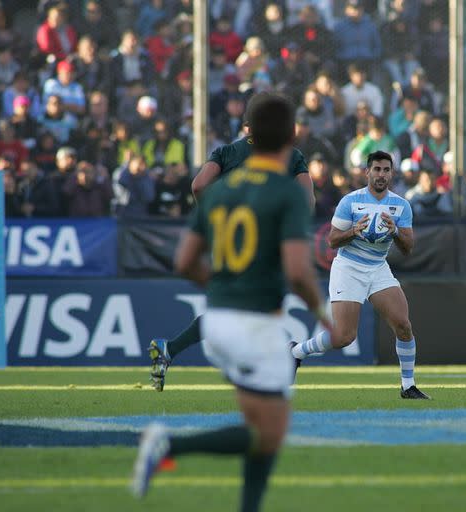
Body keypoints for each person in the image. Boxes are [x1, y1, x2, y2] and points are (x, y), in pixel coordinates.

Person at [131, 94, 330, 512]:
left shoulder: (220, 191)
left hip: (217, 321)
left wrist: (226, 281)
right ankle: (167, 444)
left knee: (261, 429)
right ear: (290, 134)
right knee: (268, 433)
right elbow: (297, 271)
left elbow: (184, 260)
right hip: (255, 325)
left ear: (248, 130)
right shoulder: (287, 190)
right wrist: (322, 314)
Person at [149, 93, 315, 391]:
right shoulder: (289, 154)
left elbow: (199, 185)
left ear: (247, 125)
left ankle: (170, 349)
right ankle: (281, 355)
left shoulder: (225, 151)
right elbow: (307, 200)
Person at [290, 150, 430, 400]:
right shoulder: (350, 201)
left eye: (386, 170)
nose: (381, 174)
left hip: (378, 267)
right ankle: (296, 352)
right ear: (367, 172)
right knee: (344, 336)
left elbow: (408, 248)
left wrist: (395, 230)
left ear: (392, 173)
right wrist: (354, 230)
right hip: (349, 267)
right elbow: (332, 241)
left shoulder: (400, 205)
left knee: (403, 325)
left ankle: (408, 386)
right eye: (376, 169)